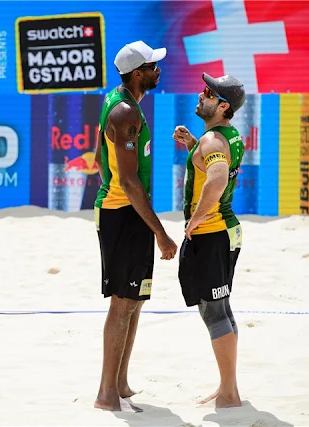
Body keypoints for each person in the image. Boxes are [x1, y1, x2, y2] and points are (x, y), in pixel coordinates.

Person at [93, 40, 178, 413]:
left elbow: (99, 158)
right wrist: (160, 232)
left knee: (136, 301)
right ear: (138, 73)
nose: (159, 70)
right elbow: (127, 182)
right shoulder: (126, 112)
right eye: (153, 66)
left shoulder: (121, 102)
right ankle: (105, 395)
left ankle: (121, 384)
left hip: (128, 212)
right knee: (122, 303)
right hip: (123, 213)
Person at [172, 73, 246, 409]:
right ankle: (227, 386)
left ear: (223, 105)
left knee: (214, 313)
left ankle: (229, 393)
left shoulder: (214, 141)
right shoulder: (228, 138)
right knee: (222, 309)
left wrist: (197, 217)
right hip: (227, 231)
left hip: (213, 232)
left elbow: (215, 181)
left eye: (208, 93)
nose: (201, 95)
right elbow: (215, 166)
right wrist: (192, 145)